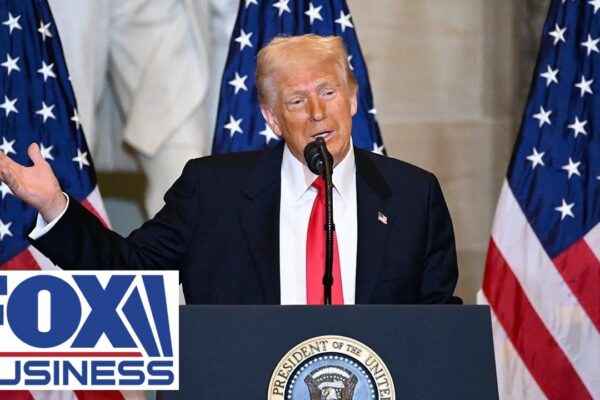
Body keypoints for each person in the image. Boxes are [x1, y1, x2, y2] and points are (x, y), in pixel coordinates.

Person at [0, 34, 458, 305]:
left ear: (353, 99)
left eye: (328, 92)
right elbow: (130, 270)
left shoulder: (413, 196)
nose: (318, 112)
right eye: (297, 101)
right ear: (272, 118)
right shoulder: (212, 191)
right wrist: (54, 206)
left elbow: (438, 327)